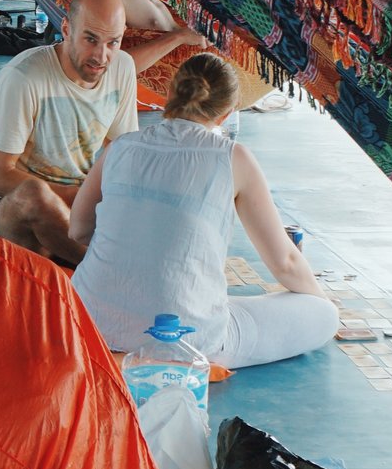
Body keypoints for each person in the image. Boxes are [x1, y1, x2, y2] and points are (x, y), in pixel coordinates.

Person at [69, 51, 338, 369]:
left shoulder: (119, 147)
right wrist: (321, 297)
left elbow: (78, 230)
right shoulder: (233, 158)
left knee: (213, 299)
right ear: (226, 115)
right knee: (323, 316)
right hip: (185, 339)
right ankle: (164, 358)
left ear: (168, 94)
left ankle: (124, 356)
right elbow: (286, 263)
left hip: (86, 324)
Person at [0, 0, 191, 267]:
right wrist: (78, 197)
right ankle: (111, 270)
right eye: (90, 39)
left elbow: (123, 151)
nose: (101, 56)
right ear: (66, 29)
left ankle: (104, 261)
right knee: (34, 195)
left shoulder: (122, 68)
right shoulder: (24, 77)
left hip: (80, 210)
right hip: (14, 214)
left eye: (112, 42)